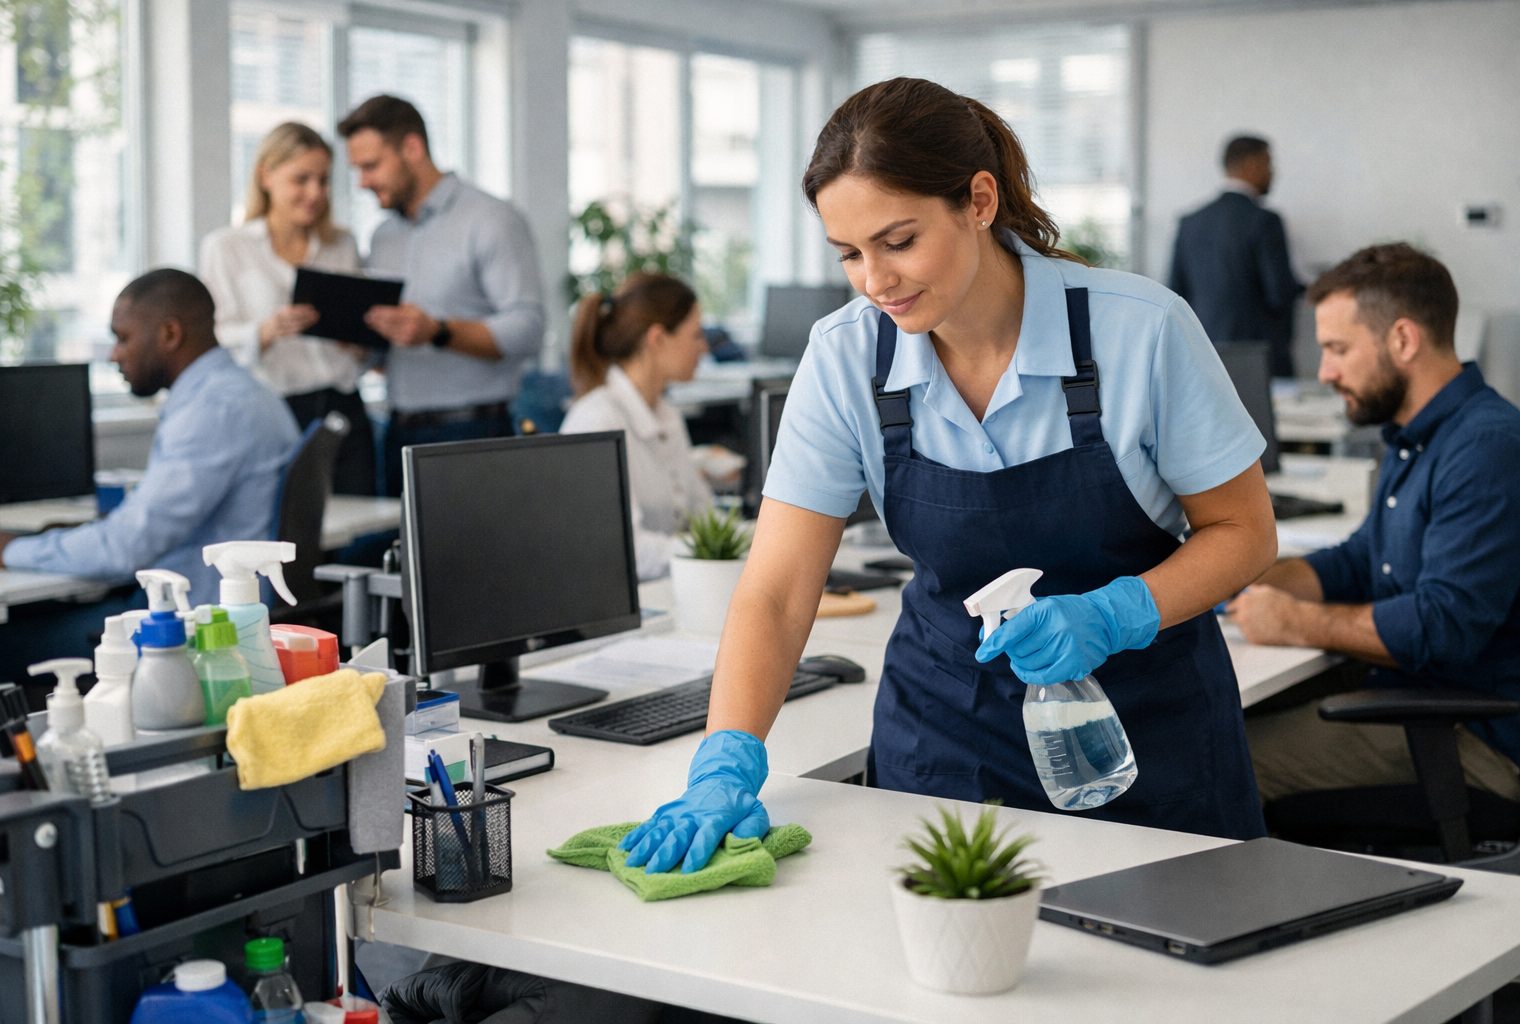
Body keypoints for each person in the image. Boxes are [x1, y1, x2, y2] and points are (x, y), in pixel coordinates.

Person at [620, 77, 1278, 875]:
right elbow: (778, 587)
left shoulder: (1140, 331)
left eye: (898, 242)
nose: (874, 281)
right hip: (945, 742)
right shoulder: (846, 357)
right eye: (849, 255)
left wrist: (1117, 611)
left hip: (1151, 738)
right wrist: (727, 756)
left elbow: (1245, 533)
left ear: (978, 200)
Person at [1230, 243, 1520, 807]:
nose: (1325, 371)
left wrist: (1297, 623)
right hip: (1420, 701)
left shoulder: (1486, 448)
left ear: (1403, 340)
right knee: (1220, 729)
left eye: (1338, 349)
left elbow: (1442, 626)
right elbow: (1366, 557)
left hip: (1479, 739)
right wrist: (1263, 579)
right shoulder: (1416, 436)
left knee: (1224, 766)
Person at [0, 270, 298, 678]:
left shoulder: (213, 409)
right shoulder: (243, 392)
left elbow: (125, 549)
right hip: (218, 618)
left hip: (192, 633)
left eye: (124, 337)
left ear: (169, 334)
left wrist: (4, 551)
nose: (114, 354)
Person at [336, 95, 544, 495]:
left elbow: (528, 328)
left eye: (371, 166)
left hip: (473, 434)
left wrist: (438, 331)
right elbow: (393, 348)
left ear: (411, 148)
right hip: (398, 432)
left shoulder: (490, 219)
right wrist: (362, 344)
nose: (362, 182)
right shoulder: (383, 237)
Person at [199, 121, 376, 495]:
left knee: (362, 530)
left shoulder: (341, 245)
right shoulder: (227, 248)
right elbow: (211, 344)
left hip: (344, 409)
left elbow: (363, 346)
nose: (315, 193)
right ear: (266, 176)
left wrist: (357, 338)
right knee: (287, 532)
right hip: (274, 411)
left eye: (323, 181)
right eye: (302, 179)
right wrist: (264, 332)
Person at [559, 274, 720, 581]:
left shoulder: (667, 415)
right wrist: (712, 550)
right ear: (657, 339)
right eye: (696, 335)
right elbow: (621, 550)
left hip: (669, 591)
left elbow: (704, 517)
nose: (705, 348)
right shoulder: (596, 421)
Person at [1169, 135, 1303, 378]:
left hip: (1203, 353)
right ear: (1251, 164)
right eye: (1268, 164)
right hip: (1260, 357)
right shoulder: (1265, 221)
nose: (1273, 173)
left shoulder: (1189, 223)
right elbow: (1279, 292)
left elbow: (1175, 291)